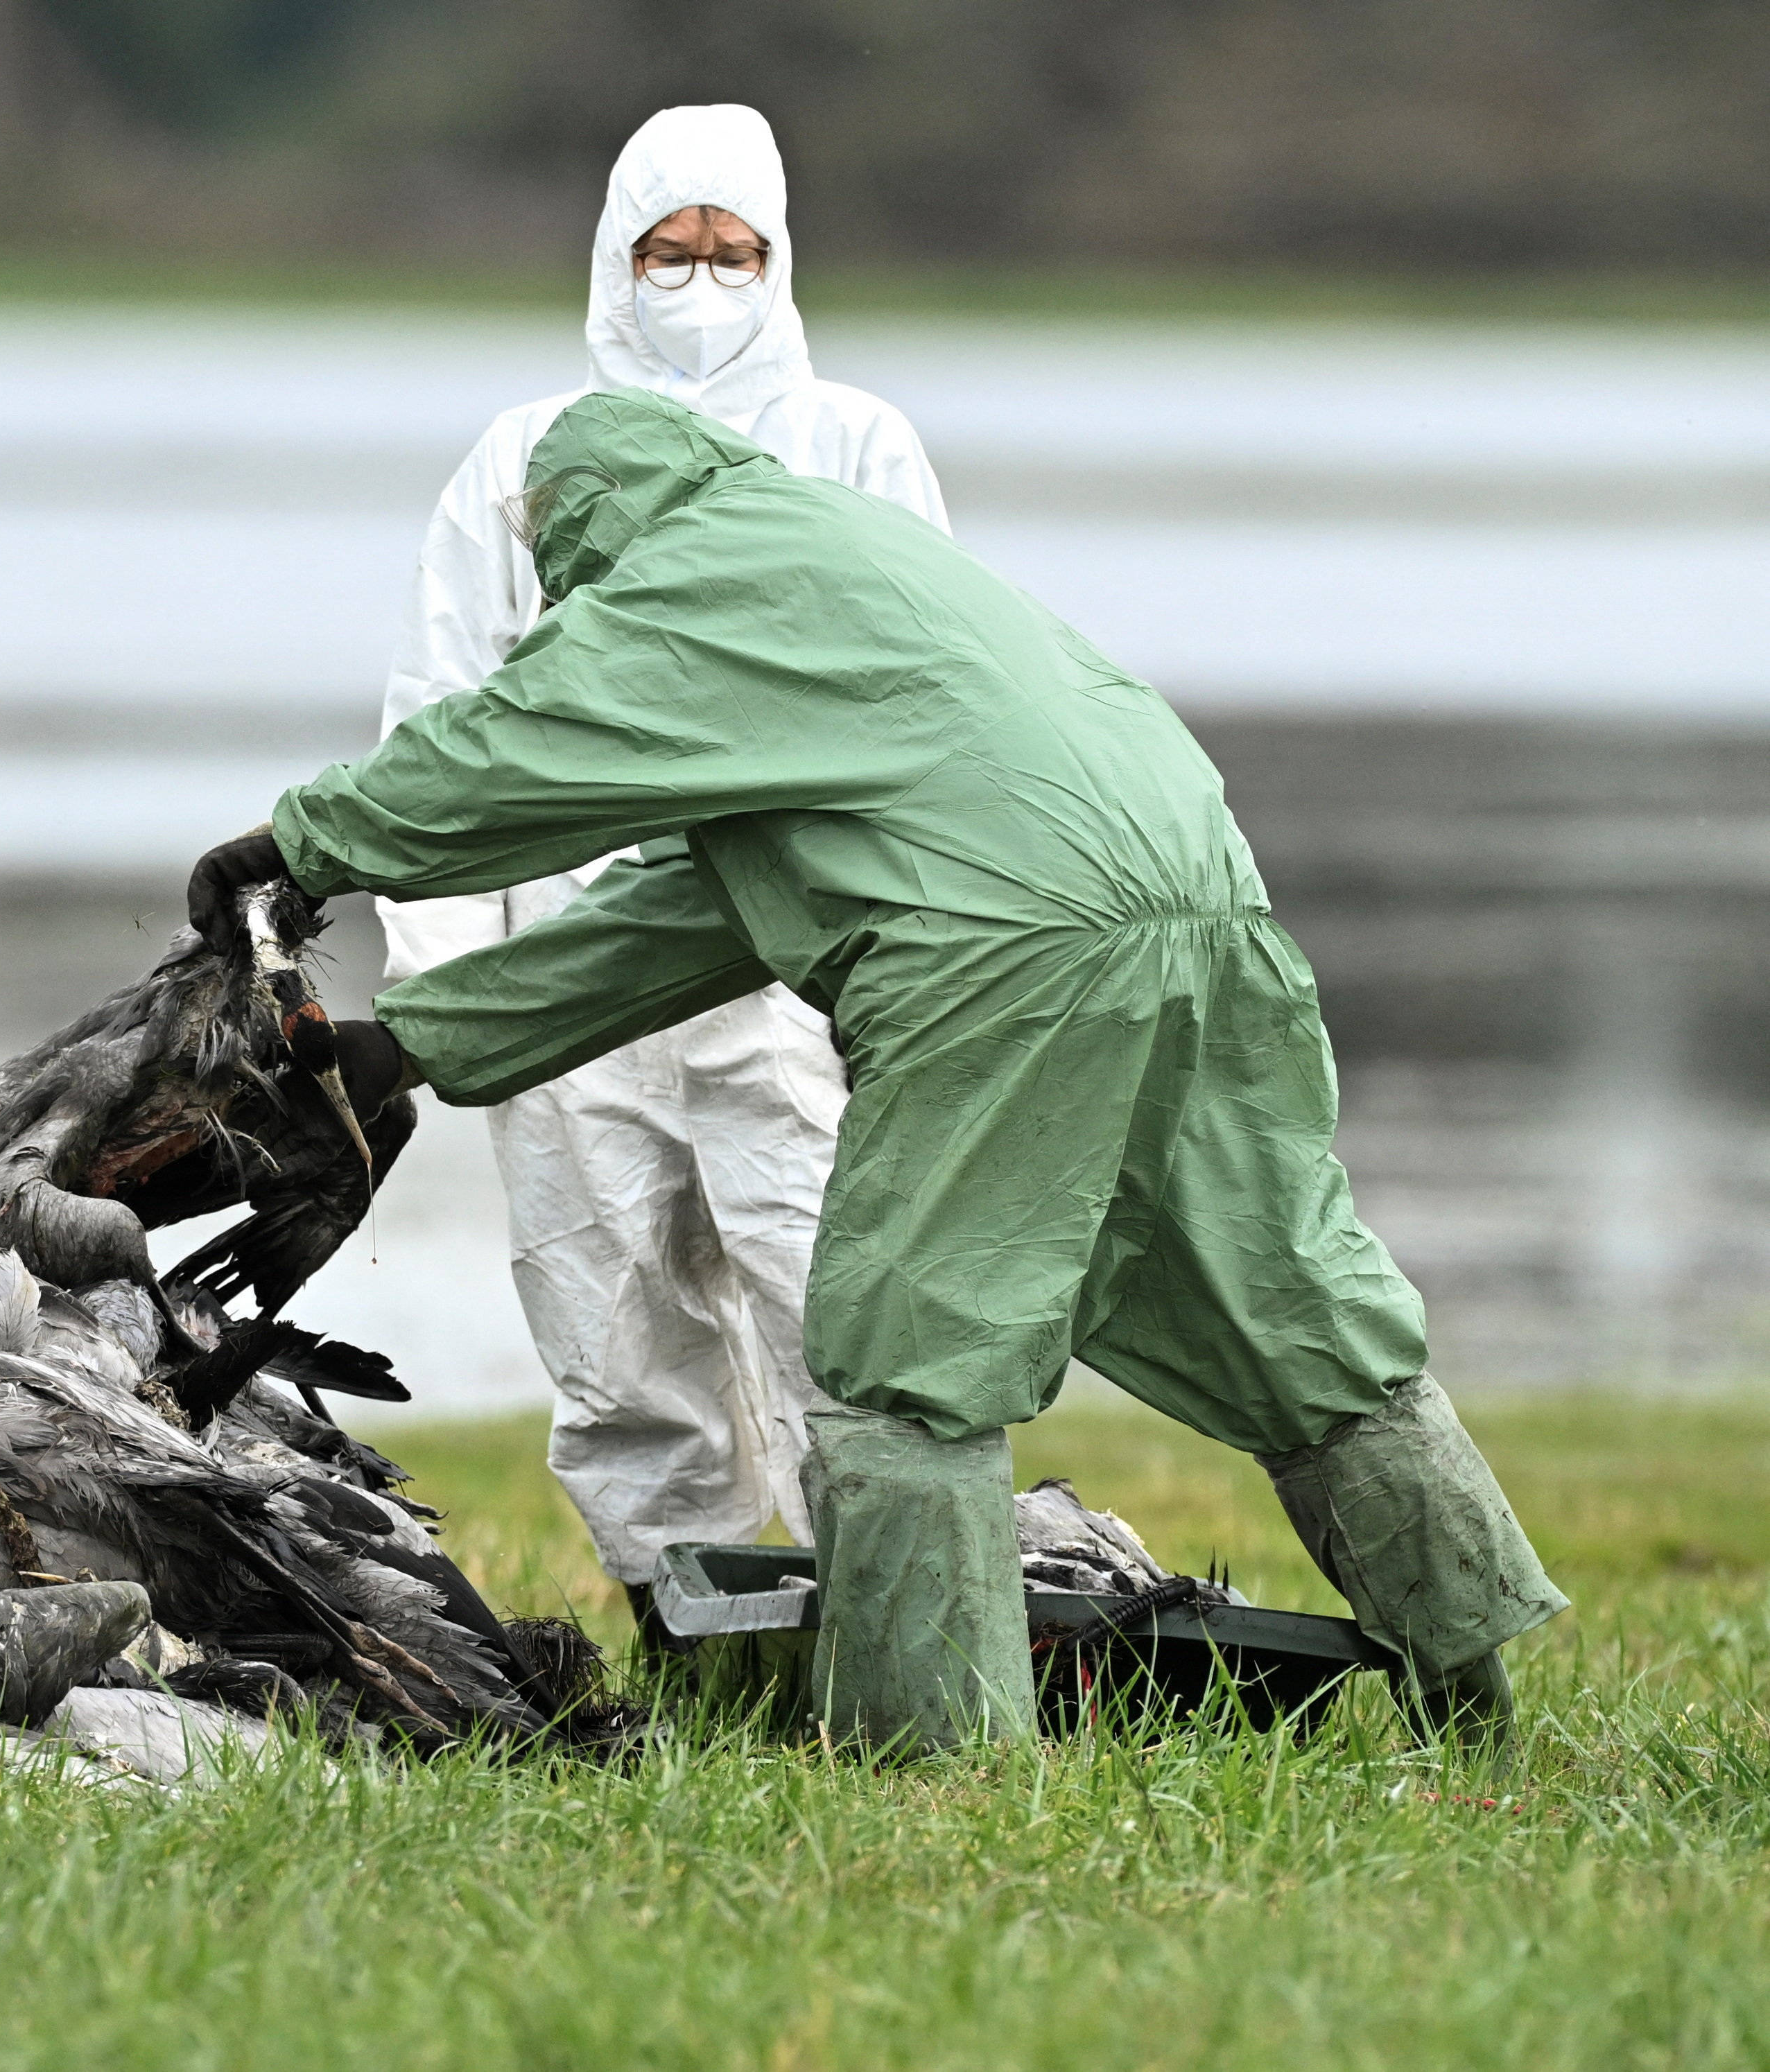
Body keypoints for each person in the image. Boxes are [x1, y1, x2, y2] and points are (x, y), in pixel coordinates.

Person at [190, 389, 1566, 1749]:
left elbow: (506, 755)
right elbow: (710, 907)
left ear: (581, 524)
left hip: (1008, 950)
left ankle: (938, 1762)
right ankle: (1480, 1710)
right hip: (1207, 915)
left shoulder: (688, 572)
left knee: (906, 1365)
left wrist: (299, 846)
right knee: (1297, 1316)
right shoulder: (841, 566)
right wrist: (416, 1043)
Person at [375, 105, 948, 1617]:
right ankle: (695, 1626)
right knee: (609, 1319)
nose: (700, 286)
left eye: (731, 253)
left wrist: (908, 971)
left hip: (791, 964)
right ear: (609, 264)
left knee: (834, 1301)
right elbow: (440, 729)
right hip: (571, 967)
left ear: (780, 259)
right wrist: (455, 996)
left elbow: (932, 710)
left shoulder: (854, 446)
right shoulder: (517, 465)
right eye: (667, 254)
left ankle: (886, 1626)